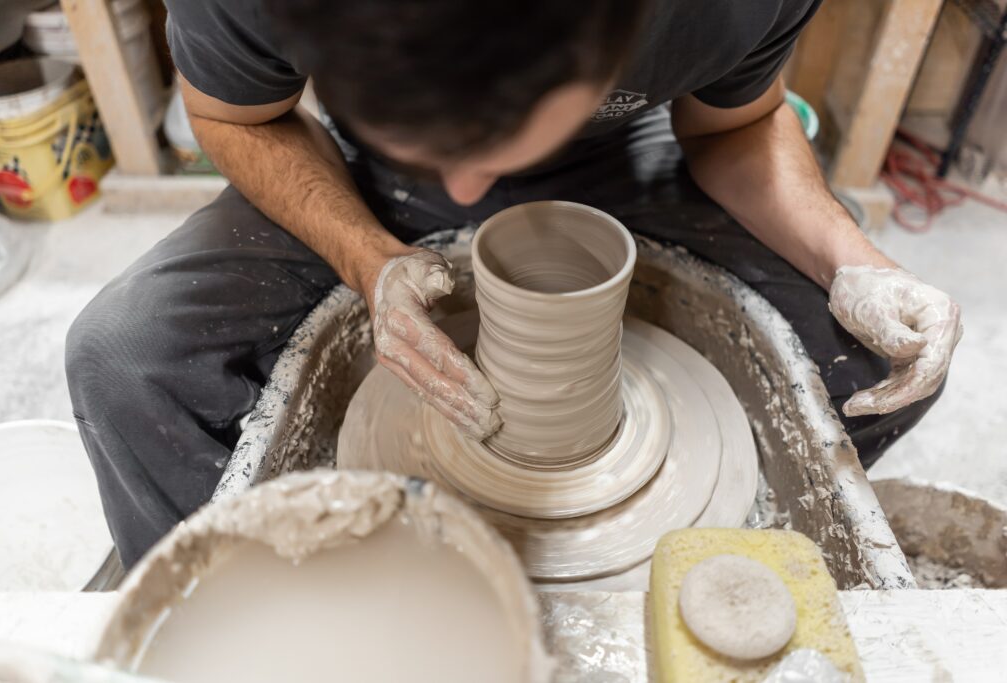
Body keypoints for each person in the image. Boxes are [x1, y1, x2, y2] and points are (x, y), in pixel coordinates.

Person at [66, 0, 963, 568]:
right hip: (357, 175)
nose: (469, 192)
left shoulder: (717, 9)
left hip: (619, 161)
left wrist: (856, 264)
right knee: (128, 359)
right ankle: (255, 606)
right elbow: (235, 116)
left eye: (494, 141)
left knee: (877, 364)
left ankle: (719, 563)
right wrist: (367, 256)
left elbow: (736, 126)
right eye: (444, 146)